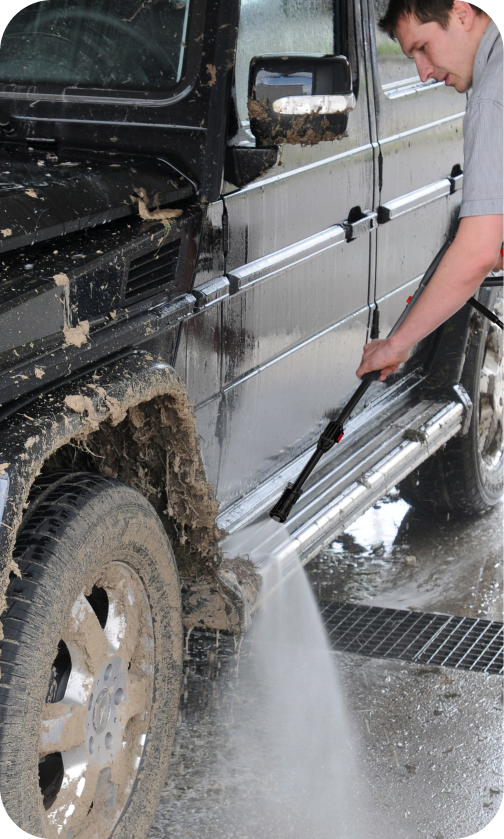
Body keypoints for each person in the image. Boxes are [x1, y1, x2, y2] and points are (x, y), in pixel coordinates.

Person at [356, 0, 504, 382]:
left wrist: (396, 344)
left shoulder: (492, 98)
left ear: (461, 13)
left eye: (423, 47)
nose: (422, 73)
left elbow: (476, 254)